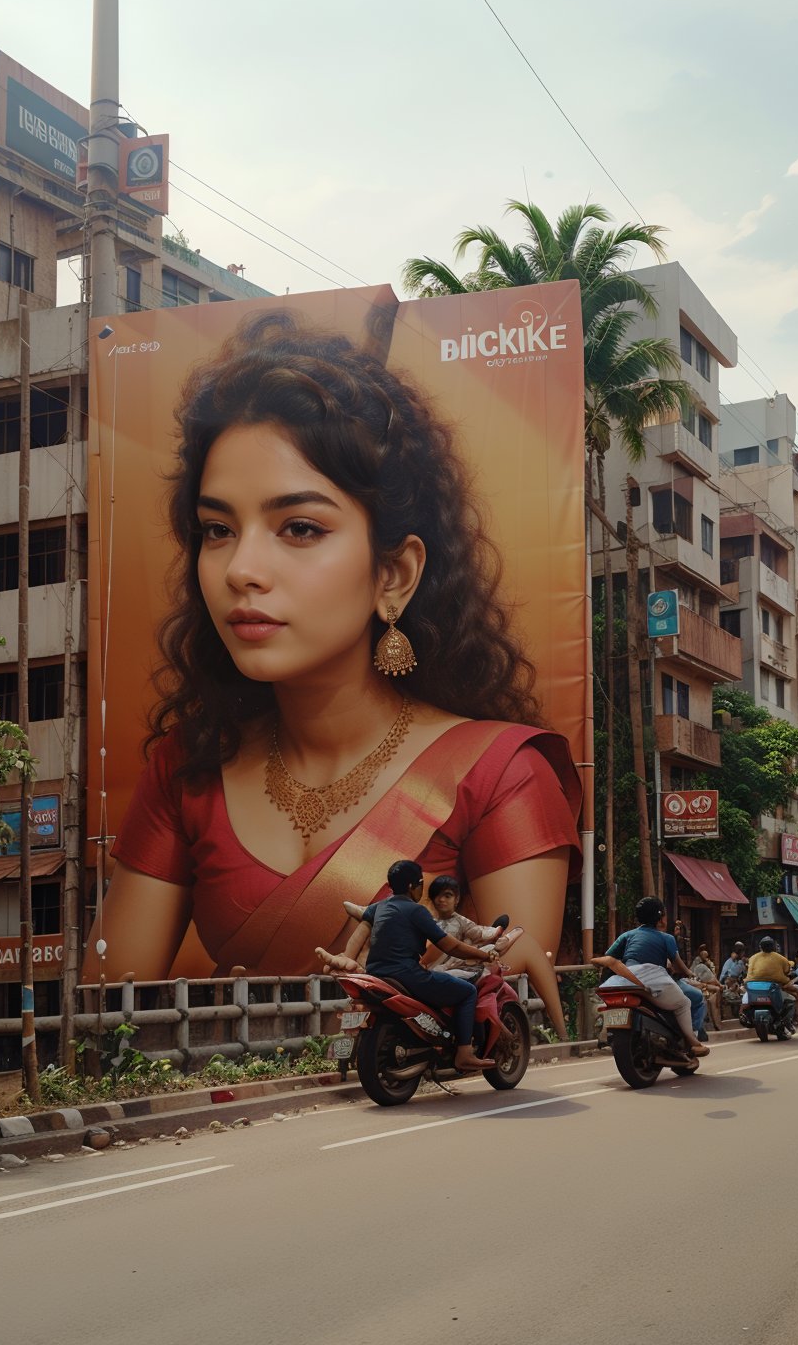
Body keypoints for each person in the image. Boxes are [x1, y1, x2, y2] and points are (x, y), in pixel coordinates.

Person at [81, 312, 581, 1040]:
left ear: (395, 573)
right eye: (218, 529)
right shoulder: (188, 771)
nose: (241, 571)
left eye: (300, 528)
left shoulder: (501, 774)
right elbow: (107, 1026)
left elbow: (506, 1018)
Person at [319, 860, 502, 1070]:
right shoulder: (417, 912)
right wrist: (484, 956)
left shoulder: (379, 907)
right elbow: (451, 947)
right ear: (413, 886)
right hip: (408, 976)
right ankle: (464, 1052)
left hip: (377, 975)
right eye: (421, 886)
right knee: (468, 991)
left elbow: (361, 931)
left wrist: (348, 955)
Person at [595, 896, 710, 1057]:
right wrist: (690, 973)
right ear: (661, 917)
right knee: (685, 1002)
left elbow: (608, 958)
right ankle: (692, 1042)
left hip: (626, 979)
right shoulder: (667, 938)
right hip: (657, 982)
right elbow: (679, 967)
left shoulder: (627, 936)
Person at [425, 874, 505, 978]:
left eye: (447, 896)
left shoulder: (462, 922)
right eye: (437, 895)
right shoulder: (429, 922)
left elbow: (480, 933)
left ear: (456, 899)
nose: (441, 900)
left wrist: (496, 931)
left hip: (452, 968)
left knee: (487, 948)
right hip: (428, 967)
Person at [746, 936, 798, 1019]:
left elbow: (749, 971)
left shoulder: (753, 957)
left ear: (761, 947)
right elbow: (787, 970)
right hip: (775, 985)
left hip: (752, 985)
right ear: (773, 946)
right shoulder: (779, 957)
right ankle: (796, 1017)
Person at [690, 943, 723, 1031]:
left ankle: (715, 1019)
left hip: (699, 984)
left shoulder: (703, 964)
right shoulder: (701, 965)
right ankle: (716, 1020)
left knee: (715, 990)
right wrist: (719, 984)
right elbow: (711, 979)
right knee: (716, 990)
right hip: (698, 984)